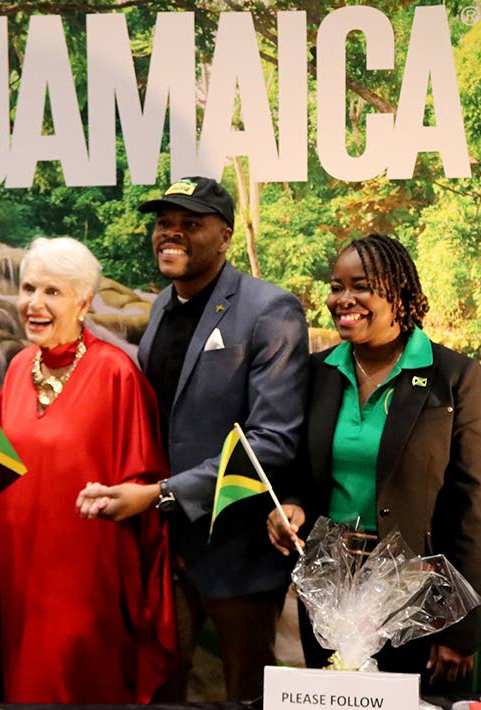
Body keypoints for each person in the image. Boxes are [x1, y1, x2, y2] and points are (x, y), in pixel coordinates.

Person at [76, 177, 309, 701]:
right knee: (162, 685)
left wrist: (161, 495)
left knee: (245, 693)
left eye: (190, 222)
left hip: (238, 552)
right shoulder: (160, 307)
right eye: (164, 222)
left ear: (225, 236)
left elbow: (270, 441)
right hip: (164, 550)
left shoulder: (270, 310)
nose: (171, 234)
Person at [0, 236, 176, 703]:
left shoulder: (116, 374)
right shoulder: (18, 366)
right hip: (19, 566)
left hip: (84, 573)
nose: (34, 303)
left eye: (53, 292)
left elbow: (142, 482)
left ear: (84, 301)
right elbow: (14, 464)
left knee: (76, 680)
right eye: (28, 289)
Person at [267, 233, 481, 689]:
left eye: (361, 286)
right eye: (336, 286)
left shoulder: (455, 378)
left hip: (415, 596)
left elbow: (473, 507)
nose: (343, 299)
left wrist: (461, 629)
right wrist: (288, 504)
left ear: (399, 291)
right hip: (329, 589)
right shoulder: (317, 372)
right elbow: (297, 469)